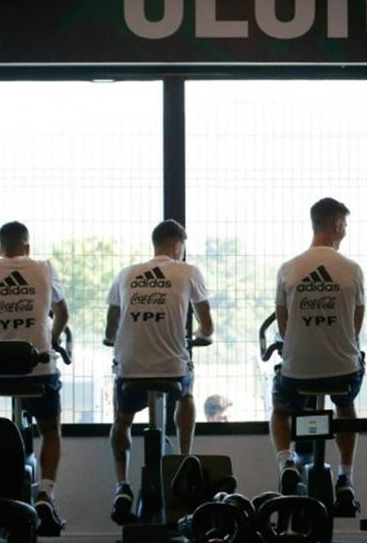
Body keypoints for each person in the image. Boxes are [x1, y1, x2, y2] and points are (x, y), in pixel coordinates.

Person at [105, 219, 214, 525]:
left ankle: (122, 485)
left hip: (130, 371)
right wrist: (201, 334)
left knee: (122, 420)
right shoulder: (188, 271)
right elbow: (207, 324)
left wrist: (112, 339)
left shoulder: (126, 274)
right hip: (171, 372)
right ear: (178, 246)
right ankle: (183, 457)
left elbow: (111, 323)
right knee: (187, 392)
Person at [0, 221, 69, 536]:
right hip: (38, 368)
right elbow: (63, 314)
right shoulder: (44, 268)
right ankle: (46, 492)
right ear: (27, 247)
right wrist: (51, 340)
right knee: (51, 430)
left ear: (0, 249)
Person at [270, 198, 365, 512]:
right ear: (337, 224)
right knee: (345, 407)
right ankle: (345, 478)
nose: (346, 231)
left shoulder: (288, 269)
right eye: (346, 225)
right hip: (342, 373)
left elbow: (284, 327)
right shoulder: (352, 269)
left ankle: (286, 462)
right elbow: (355, 325)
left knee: (281, 410)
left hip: (298, 374)